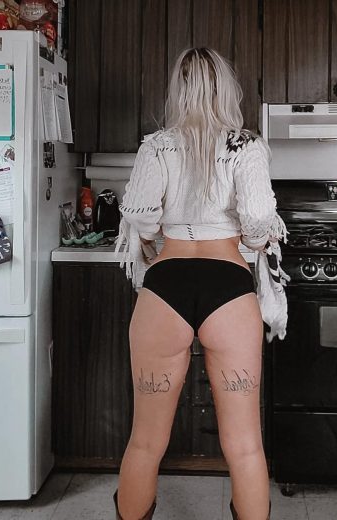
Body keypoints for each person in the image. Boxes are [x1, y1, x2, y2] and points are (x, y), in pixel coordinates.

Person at [113, 47, 287, 520]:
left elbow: (140, 216)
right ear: (226, 89)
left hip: (165, 285)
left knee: (144, 442)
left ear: (179, 90)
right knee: (245, 447)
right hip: (228, 286)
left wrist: (156, 241)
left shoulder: (157, 146)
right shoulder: (246, 146)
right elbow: (258, 219)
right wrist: (252, 243)